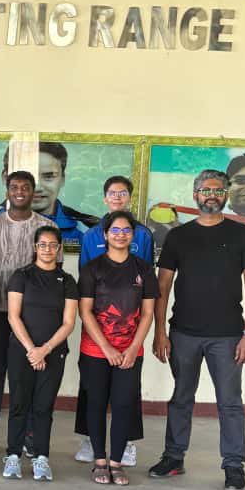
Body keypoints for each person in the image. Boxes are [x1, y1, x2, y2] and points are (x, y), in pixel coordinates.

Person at [149, 169, 245, 490]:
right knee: (181, 397)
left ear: (225, 195)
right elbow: (163, 285)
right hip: (183, 333)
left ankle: (233, 466)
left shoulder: (243, 235)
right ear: (195, 195)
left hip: (228, 336)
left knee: (229, 402)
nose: (211, 194)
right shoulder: (178, 236)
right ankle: (174, 457)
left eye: (217, 190)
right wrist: (160, 333)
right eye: (205, 190)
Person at [0, 171, 57, 454]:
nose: (20, 191)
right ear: (7, 190)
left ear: (33, 192)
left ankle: (31, 432)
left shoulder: (46, 226)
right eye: (14, 187)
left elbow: (53, 272)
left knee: (27, 375)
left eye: (25, 187)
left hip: (31, 317)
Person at [75, 175, 154, 465]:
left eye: (122, 193)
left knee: (126, 394)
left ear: (129, 198)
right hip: (96, 326)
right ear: (104, 197)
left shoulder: (143, 235)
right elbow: (86, 282)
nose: (117, 197)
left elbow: (145, 281)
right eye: (112, 193)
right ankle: (89, 440)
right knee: (91, 389)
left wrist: (136, 343)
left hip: (130, 326)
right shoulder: (91, 235)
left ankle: (127, 444)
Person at [4, 225, 78, 481]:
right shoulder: (21, 276)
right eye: (42, 245)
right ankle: (12, 455)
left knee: (43, 407)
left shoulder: (67, 281)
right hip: (21, 351)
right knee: (18, 404)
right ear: (35, 247)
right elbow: (14, 316)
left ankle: (41, 458)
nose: (47, 249)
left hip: (53, 353)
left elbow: (69, 322)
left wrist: (44, 350)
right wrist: (31, 350)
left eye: (53, 245)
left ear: (59, 249)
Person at [0, 141, 99, 243]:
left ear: (62, 179)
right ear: (5, 177)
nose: (37, 187)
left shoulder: (88, 228)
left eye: (49, 176)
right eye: (27, 177)